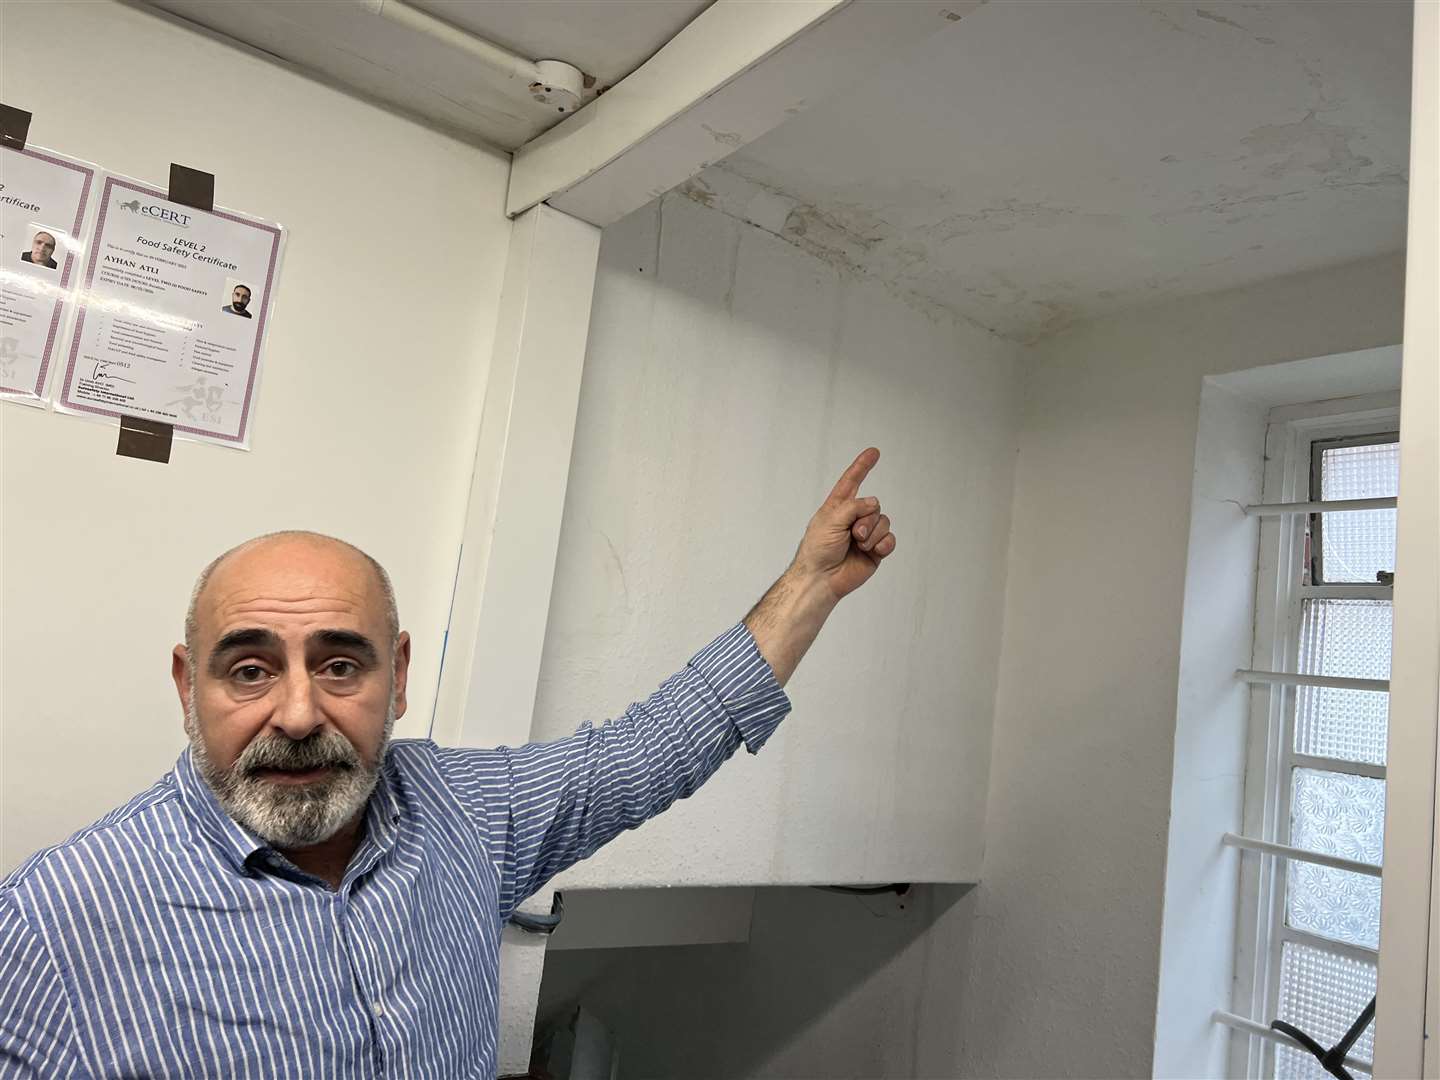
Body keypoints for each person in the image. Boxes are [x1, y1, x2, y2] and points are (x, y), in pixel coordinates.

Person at [0, 448, 897, 1077]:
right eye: (249, 669)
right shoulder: (54, 924)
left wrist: (810, 586)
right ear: (186, 684)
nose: (301, 712)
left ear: (397, 682)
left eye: (342, 664)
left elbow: (647, 750)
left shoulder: (462, 808)